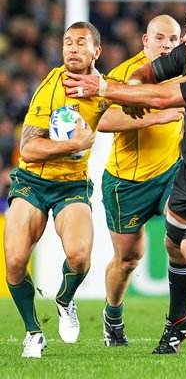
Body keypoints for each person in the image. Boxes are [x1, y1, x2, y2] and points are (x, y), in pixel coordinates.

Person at [63, 3, 186, 353]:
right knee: (168, 247)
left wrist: (105, 88)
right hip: (180, 173)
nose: (182, 40)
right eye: (176, 32)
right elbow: (145, 79)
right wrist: (132, 94)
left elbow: (162, 97)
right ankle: (178, 321)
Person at [4, 21, 113, 358]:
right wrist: (74, 144)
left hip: (70, 186)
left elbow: (114, 117)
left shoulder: (103, 89)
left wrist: (156, 117)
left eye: (81, 43)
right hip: (33, 182)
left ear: (96, 51)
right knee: (15, 263)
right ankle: (33, 331)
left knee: (80, 259)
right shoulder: (51, 86)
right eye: (67, 42)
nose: (72, 48)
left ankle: (65, 299)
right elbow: (29, 149)